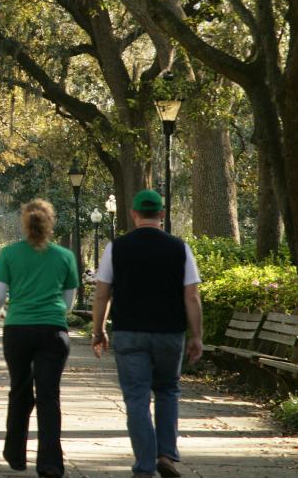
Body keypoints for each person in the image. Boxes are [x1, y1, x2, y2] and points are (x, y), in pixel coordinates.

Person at [91, 190, 203, 478]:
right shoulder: (180, 248)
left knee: (137, 398)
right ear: (162, 215)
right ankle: (165, 454)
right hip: (169, 332)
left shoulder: (116, 248)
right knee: (168, 390)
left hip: (129, 333)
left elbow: (102, 293)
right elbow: (191, 296)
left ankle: (144, 465)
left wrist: (98, 330)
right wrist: (197, 335)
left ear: (133, 214)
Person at [0, 199, 77, 478]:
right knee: (49, 396)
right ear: (51, 223)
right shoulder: (65, 256)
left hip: (18, 329)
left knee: (20, 390)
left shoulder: (9, 254)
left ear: (24, 223)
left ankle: (15, 453)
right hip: (53, 330)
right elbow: (68, 301)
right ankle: (50, 463)